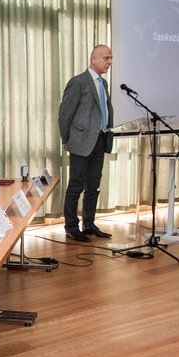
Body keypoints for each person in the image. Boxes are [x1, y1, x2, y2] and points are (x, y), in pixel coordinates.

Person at [58, 44, 115, 242]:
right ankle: (71, 227)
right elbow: (65, 114)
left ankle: (89, 224)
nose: (109, 62)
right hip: (81, 142)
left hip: (100, 140)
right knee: (76, 186)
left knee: (93, 186)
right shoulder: (78, 82)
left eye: (111, 58)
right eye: (106, 58)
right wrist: (67, 140)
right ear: (94, 59)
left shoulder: (104, 83)